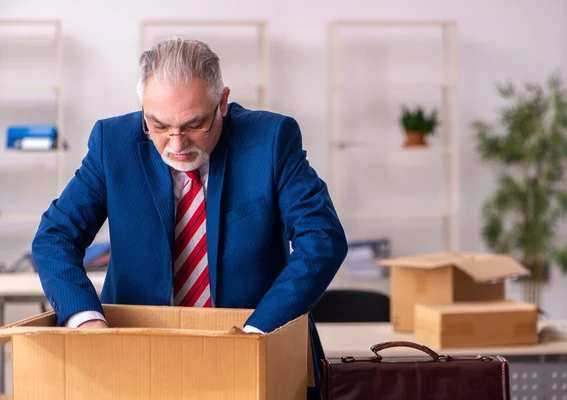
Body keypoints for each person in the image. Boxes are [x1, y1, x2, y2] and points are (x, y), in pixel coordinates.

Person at [31, 37, 347, 399]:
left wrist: (257, 334)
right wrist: (87, 321)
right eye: (159, 126)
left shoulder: (271, 139)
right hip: (136, 361)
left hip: (259, 352)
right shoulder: (112, 142)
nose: (177, 145)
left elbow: (321, 238)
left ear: (222, 102)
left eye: (194, 125)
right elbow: (55, 237)